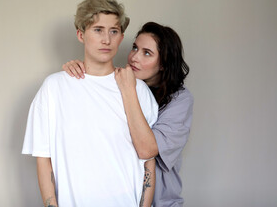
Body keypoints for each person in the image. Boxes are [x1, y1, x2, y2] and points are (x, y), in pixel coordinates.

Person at [22, 0, 158, 207]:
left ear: (121, 37)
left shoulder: (137, 89)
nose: (106, 39)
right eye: (98, 30)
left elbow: (149, 162)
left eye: (113, 31)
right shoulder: (54, 88)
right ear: (81, 35)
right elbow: (44, 159)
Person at [63, 21, 194, 207]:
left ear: (164, 63)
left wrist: (129, 90)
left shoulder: (180, 99)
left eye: (146, 53)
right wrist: (78, 70)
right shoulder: (118, 81)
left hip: (160, 203)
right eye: (135, 48)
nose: (134, 57)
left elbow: (146, 150)